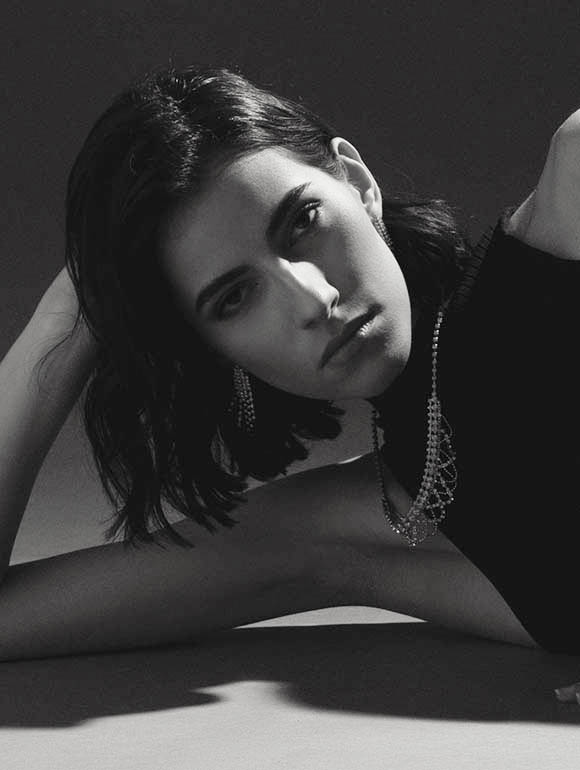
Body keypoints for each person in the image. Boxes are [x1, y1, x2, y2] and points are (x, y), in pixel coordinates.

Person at [0, 65, 579, 702]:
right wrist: (67, 318)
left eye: (302, 222)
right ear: (212, 350)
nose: (312, 299)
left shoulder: (558, 234)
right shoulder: (360, 527)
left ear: (357, 183)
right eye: (234, 298)